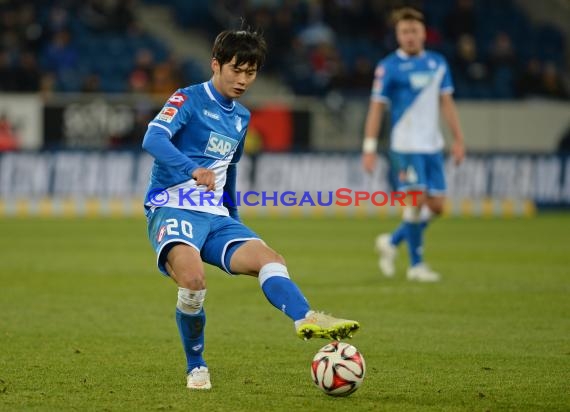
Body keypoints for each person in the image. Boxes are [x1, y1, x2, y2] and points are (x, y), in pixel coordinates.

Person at [141, 28, 359, 390]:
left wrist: (235, 218)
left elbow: (231, 168)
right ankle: (196, 365)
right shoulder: (187, 99)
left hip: (217, 217)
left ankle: (306, 317)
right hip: (173, 207)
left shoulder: (241, 117)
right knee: (193, 282)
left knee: (271, 258)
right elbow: (153, 137)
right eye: (236, 70)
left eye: (251, 72)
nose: (243, 80)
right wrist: (192, 170)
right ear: (216, 64)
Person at [361, 8, 465, 282]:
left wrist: (458, 140)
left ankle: (392, 241)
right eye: (404, 32)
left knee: (438, 206)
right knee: (416, 199)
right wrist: (369, 147)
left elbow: (447, 103)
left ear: (423, 34)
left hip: (432, 145)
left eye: (414, 31)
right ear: (397, 35)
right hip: (405, 144)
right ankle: (416, 266)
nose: (409, 36)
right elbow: (376, 108)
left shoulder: (438, 63)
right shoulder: (388, 67)